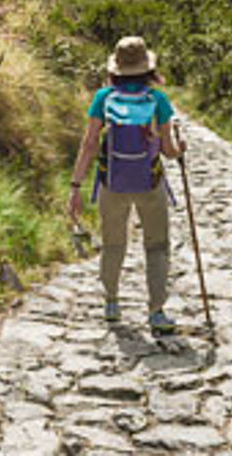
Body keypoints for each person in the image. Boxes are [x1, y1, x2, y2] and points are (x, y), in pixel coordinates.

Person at [67, 36, 183, 333]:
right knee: (156, 246)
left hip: (112, 183)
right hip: (150, 183)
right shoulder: (157, 100)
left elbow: (90, 143)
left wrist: (75, 186)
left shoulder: (103, 98)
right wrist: (180, 147)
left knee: (113, 243)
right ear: (147, 68)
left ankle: (111, 303)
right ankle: (156, 311)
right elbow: (169, 151)